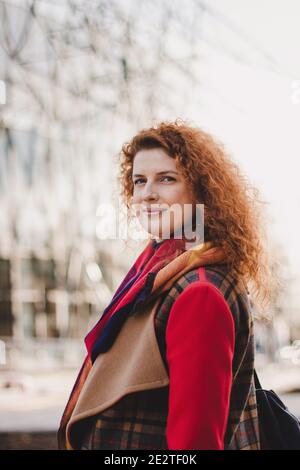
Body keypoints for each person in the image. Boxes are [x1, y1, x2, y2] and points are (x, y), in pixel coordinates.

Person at [57, 119, 276, 450]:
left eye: (167, 179)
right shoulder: (157, 273)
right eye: (139, 181)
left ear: (201, 191)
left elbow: (195, 444)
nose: (147, 194)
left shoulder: (198, 292)